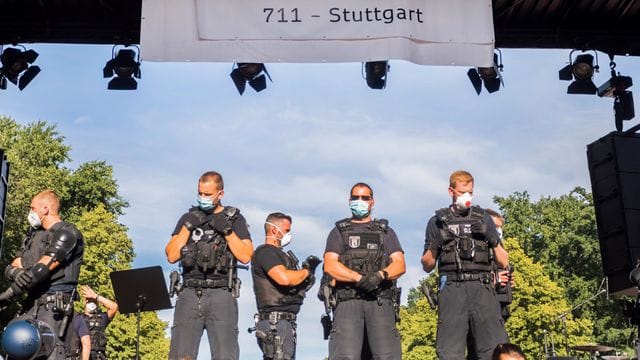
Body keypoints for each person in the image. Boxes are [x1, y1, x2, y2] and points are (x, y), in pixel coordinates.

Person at [165, 171, 253, 360]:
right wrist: (187, 227)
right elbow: (171, 255)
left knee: (225, 355)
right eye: (200, 193)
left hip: (221, 293)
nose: (202, 198)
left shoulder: (234, 219)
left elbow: (246, 255)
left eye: (208, 194)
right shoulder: (188, 217)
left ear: (220, 194)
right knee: (181, 355)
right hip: (189, 292)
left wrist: (227, 231)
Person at [421, 170, 509, 360]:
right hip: (452, 287)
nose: (466, 197)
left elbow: (504, 261)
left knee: (494, 349)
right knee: (450, 352)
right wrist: (436, 245)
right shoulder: (437, 221)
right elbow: (427, 265)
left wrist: (492, 238)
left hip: (482, 287)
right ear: (451, 191)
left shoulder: (483, 217)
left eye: (470, 192)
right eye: (462, 192)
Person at [323, 182, 405, 360]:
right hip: (348, 301)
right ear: (349, 200)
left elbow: (399, 264)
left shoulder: (385, 232)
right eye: (355, 198)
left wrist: (379, 276)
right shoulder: (338, 232)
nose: (359, 201)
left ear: (372, 202)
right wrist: (358, 278)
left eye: (364, 198)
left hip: (380, 301)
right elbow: (330, 265)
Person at [1, 190, 85, 360]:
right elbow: (11, 267)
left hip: (53, 310)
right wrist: (18, 271)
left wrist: (6, 295)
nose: (30, 212)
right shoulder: (33, 236)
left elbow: (40, 271)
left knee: (50, 352)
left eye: (32, 208)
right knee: (11, 347)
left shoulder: (67, 233)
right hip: (30, 306)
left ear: (45, 209)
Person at [251, 212, 322, 360]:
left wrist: (307, 278)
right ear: (275, 230)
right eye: (287, 230)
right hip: (275, 323)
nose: (288, 234)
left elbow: (293, 287)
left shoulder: (281, 256)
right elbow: (284, 278)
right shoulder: (266, 252)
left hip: (285, 323)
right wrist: (305, 271)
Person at [67, 285, 119, 360]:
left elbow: (114, 307)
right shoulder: (78, 318)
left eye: (93, 300)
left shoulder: (102, 318)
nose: (91, 302)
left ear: (97, 303)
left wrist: (95, 296)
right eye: (88, 300)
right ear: (84, 302)